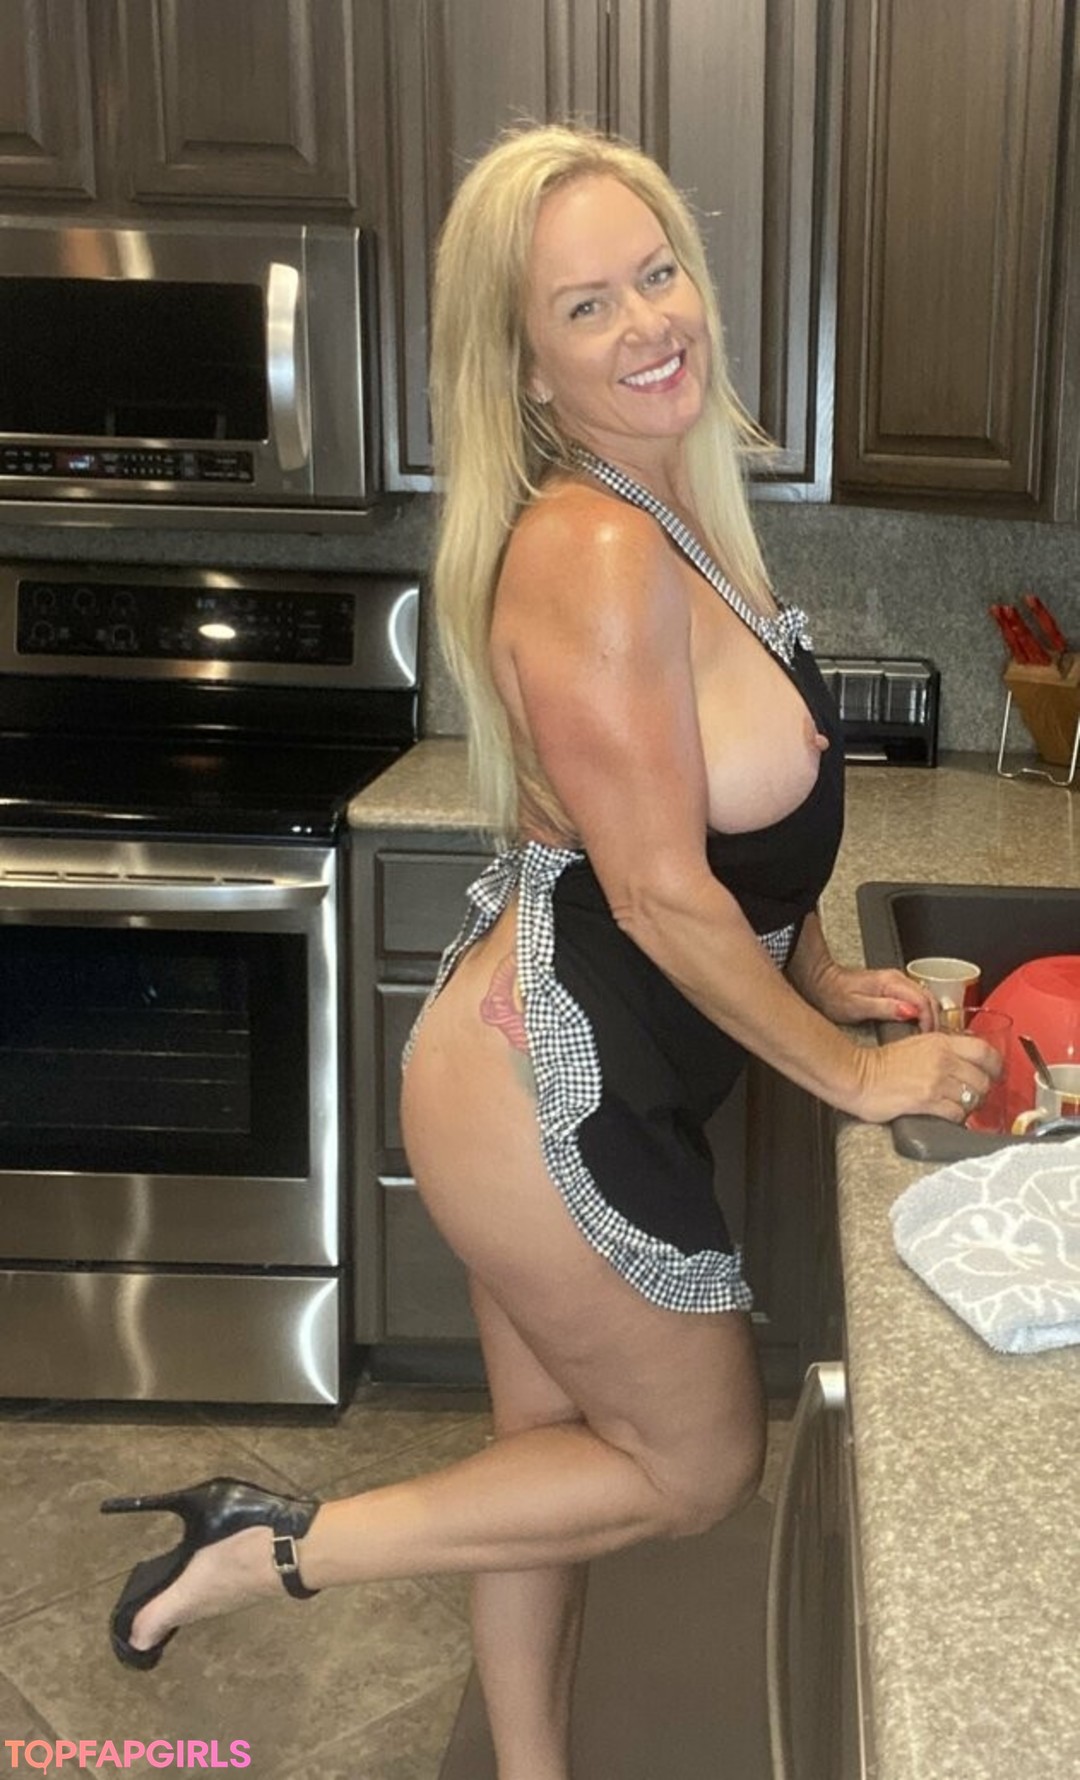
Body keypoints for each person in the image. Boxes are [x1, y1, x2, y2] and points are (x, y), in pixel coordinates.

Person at [102, 124, 999, 1779]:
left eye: (657, 274)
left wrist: (813, 975)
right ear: (525, 366)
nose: (648, 321)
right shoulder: (592, 546)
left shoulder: (673, 509)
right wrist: (858, 1075)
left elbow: (715, 830)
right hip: (542, 1089)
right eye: (588, 307)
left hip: (553, 1059)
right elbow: (656, 893)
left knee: (550, 1462)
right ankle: (268, 1544)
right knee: (695, 1463)